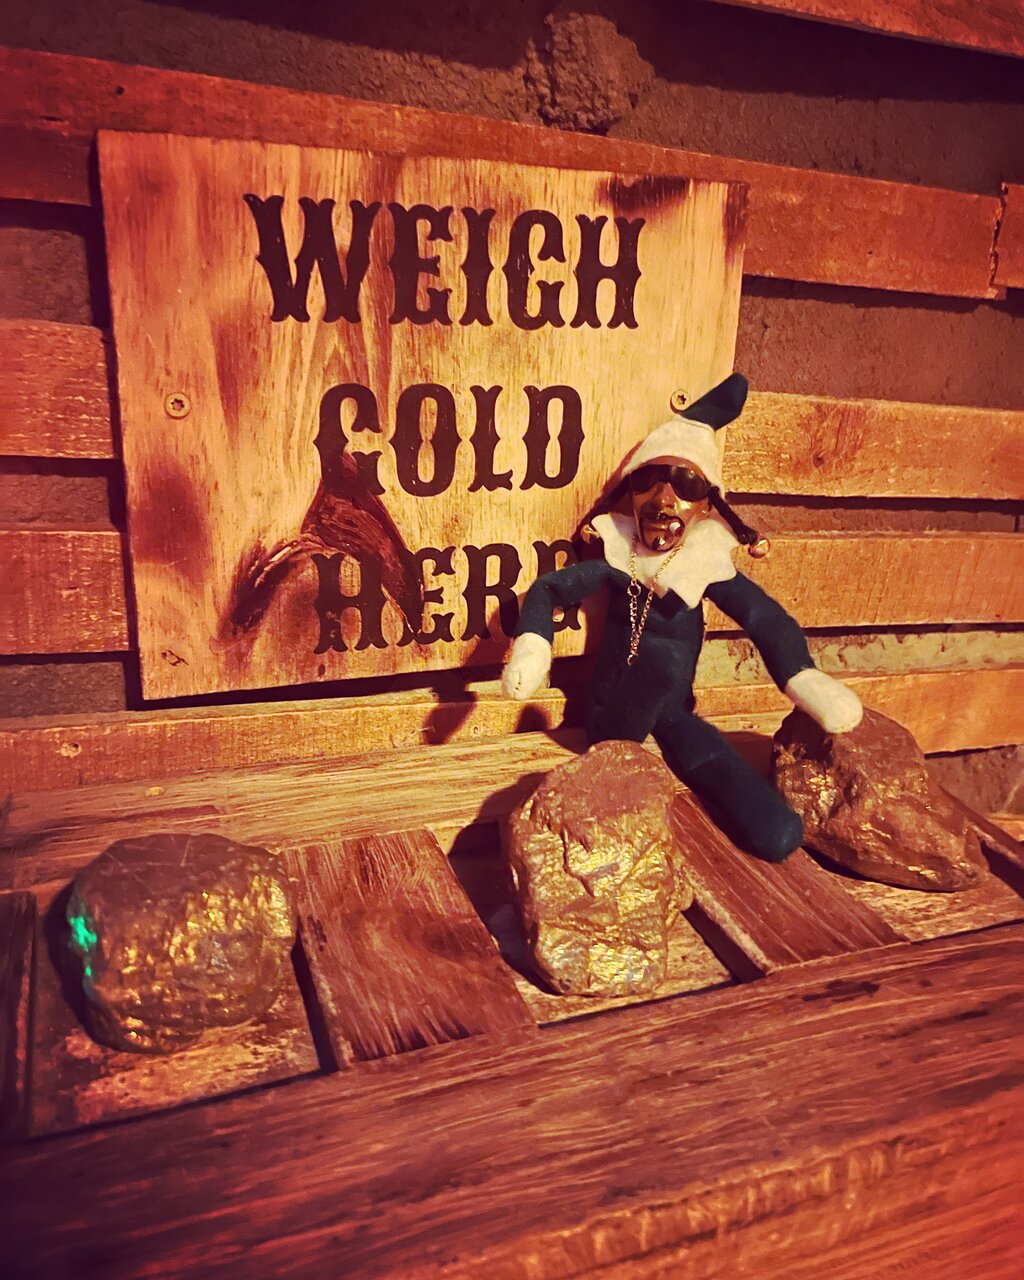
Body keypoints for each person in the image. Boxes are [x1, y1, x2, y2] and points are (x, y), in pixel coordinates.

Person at [501, 373, 862, 861]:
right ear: (630, 493)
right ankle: (642, 702)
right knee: (635, 705)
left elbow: (764, 618)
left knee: (708, 755)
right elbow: (549, 589)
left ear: (707, 503)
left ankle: (770, 823)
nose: (664, 498)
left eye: (686, 483)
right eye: (648, 480)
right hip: (609, 707)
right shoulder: (620, 556)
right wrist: (532, 647)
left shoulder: (703, 564)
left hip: (674, 707)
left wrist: (802, 676)